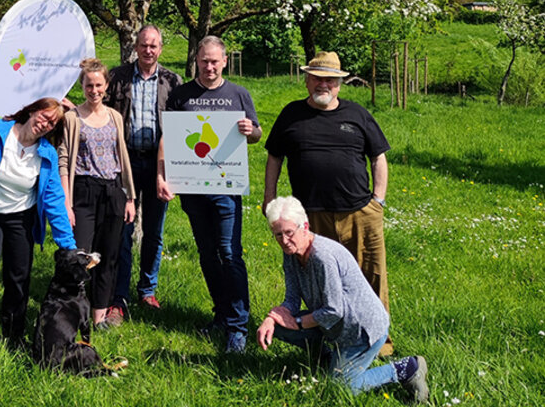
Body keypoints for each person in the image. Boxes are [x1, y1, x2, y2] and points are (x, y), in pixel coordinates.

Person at [262, 51, 394, 355]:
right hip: (311, 218)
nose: (324, 84)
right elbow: (274, 157)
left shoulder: (357, 114)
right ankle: (328, 338)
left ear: (339, 84)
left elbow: (379, 157)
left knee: (370, 275)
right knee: (320, 282)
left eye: (331, 80)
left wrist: (379, 200)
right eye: (318, 78)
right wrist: (269, 198)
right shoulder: (291, 114)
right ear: (307, 80)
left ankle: (378, 342)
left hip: (360, 212)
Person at [257, 196, 428, 403]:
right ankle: (329, 358)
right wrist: (272, 318)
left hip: (362, 331)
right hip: (334, 326)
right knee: (278, 327)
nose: (284, 240)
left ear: (305, 226)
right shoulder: (291, 253)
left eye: (289, 233)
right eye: (278, 235)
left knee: (340, 387)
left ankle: (407, 368)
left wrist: (299, 322)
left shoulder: (323, 257)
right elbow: (292, 299)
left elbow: (334, 310)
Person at [157, 35, 262, 354]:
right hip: (192, 189)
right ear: (196, 61)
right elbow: (168, 137)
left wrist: (250, 131)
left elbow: (257, 134)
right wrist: (161, 175)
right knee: (206, 254)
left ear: (225, 61)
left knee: (230, 255)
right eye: (204, 61)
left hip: (226, 190)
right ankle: (221, 314)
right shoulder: (181, 94)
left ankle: (238, 326)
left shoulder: (238, 94)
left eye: (215, 61)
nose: (209, 66)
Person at [0, 98, 77, 353]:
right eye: (44, 117)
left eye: (52, 124)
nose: (45, 125)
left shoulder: (47, 154)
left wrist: (69, 246)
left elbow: (55, 200)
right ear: (32, 111)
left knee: (19, 279)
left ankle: (14, 337)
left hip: (22, 219)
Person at [103, 25, 183, 323]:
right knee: (123, 229)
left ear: (160, 48)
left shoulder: (172, 81)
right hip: (124, 163)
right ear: (135, 47)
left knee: (154, 231)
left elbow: (185, 123)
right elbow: (100, 110)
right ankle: (118, 297)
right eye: (144, 45)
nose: (148, 50)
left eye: (154, 46)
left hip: (160, 165)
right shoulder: (117, 77)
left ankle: (147, 290)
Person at [59, 58, 136, 329]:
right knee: (79, 255)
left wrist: (130, 197)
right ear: (82, 86)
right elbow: (64, 160)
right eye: (89, 85)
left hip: (113, 190)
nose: (94, 90)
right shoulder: (71, 118)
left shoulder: (114, 116)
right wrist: (66, 203)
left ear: (106, 86)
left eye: (99, 85)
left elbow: (122, 156)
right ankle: (75, 312)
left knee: (109, 255)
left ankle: (99, 317)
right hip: (83, 191)